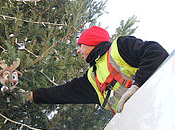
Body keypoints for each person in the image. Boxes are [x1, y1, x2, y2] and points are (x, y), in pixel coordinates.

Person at [21, 26, 168, 115]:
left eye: (80, 45)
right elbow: (63, 92)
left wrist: (137, 85)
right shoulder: (93, 78)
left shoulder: (119, 48)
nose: (78, 51)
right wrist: (29, 96)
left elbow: (155, 52)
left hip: (161, 103)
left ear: (92, 42)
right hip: (137, 123)